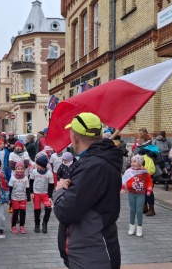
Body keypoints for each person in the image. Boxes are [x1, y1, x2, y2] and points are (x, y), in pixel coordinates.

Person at [53, 112, 122, 269]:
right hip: (89, 250)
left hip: (91, 254)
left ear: (75, 138)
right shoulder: (96, 161)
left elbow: (66, 212)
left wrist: (59, 191)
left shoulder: (93, 166)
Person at [121, 155, 153, 237]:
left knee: (139, 210)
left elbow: (149, 181)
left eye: (135, 162)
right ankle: (131, 226)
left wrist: (149, 190)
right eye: (132, 162)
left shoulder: (145, 172)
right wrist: (122, 188)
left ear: (140, 163)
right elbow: (124, 179)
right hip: (131, 193)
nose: (133, 163)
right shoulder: (129, 171)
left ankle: (139, 226)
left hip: (141, 193)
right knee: (132, 209)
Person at [29, 155, 54, 234]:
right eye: (37, 164)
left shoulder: (49, 174)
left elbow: (51, 185)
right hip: (36, 194)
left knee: (48, 208)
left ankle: (45, 223)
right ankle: (37, 224)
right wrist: (31, 192)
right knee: (37, 210)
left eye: (40, 165)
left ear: (44, 165)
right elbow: (31, 182)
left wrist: (50, 196)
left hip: (45, 194)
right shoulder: (34, 172)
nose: (38, 166)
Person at [8, 161, 30, 234]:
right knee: (16, 212)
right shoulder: (13, 178)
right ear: (16, 169)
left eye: (21, 169)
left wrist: (29, 199)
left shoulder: (25, 178)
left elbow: (27, 189)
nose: (20, 170)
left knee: (23, 213)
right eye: (18, 168)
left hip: (23, 198)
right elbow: (10, 189)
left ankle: (22, 226)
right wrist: (9, 199)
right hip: (15, 198)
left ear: (23, 169)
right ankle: (13, 226)